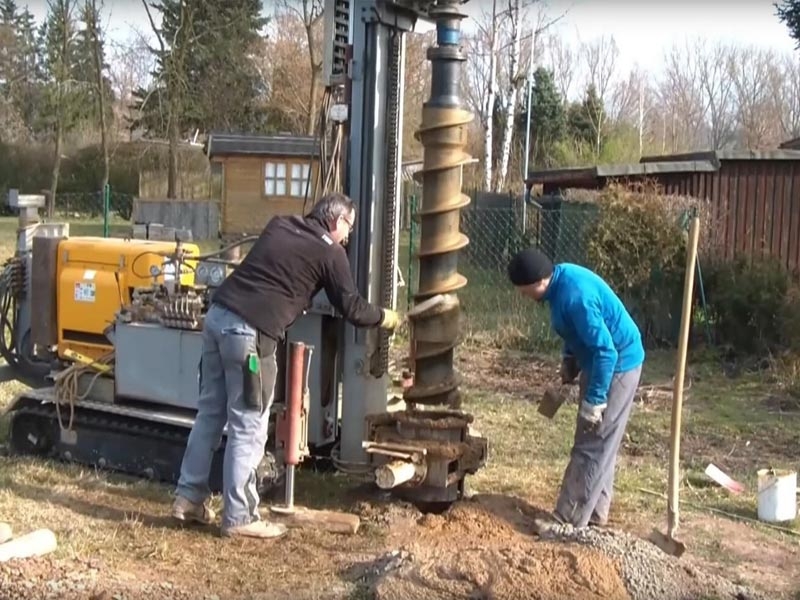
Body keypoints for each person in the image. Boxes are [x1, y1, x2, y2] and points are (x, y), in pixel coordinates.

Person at [171, 192, 401, 539]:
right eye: (349, 228)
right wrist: (385, 317)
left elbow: (280, 271)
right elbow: (351, 306)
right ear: (337, 220)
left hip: (218, 317)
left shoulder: (281, 224)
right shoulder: (331, 252)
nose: (348, 237)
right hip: (250, 334)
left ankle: (188, 498)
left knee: (209, 415)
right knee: (248, 424)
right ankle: (240, 517)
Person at [507, 247, 645, 534]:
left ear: (538, 281)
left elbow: (606, 352)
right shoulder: (559, 284)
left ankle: (566, 521)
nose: (523, 295)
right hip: (597, 360)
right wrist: (570, 359)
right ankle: (593, 513)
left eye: (524, 290)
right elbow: (576, 330)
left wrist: (595, 401)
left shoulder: (574, 296)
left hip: (617, 364)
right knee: (598, 441)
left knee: (592, 441)